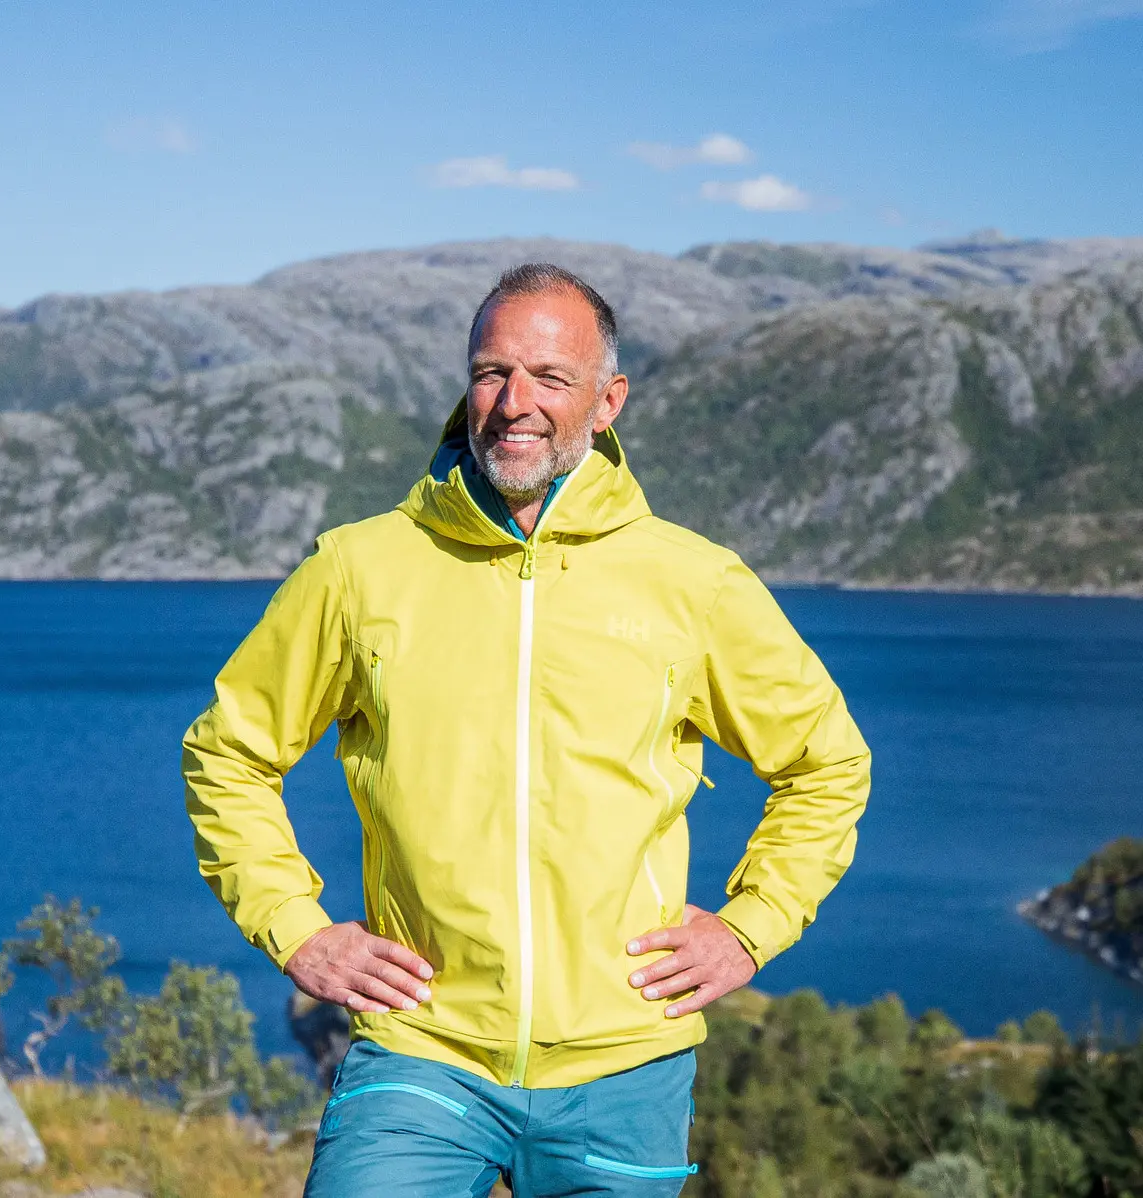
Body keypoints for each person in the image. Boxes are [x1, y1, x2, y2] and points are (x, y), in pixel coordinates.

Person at [181, 263, 871, 1196]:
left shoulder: (693, 582)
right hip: (421, 1052)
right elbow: (228, 753)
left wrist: (748, 928)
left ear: (606, 400)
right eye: (491, 372)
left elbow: (825, 763)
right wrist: (297, 930)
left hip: (624, 1066)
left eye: (550, 378)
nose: (514, 404)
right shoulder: (359, 569)